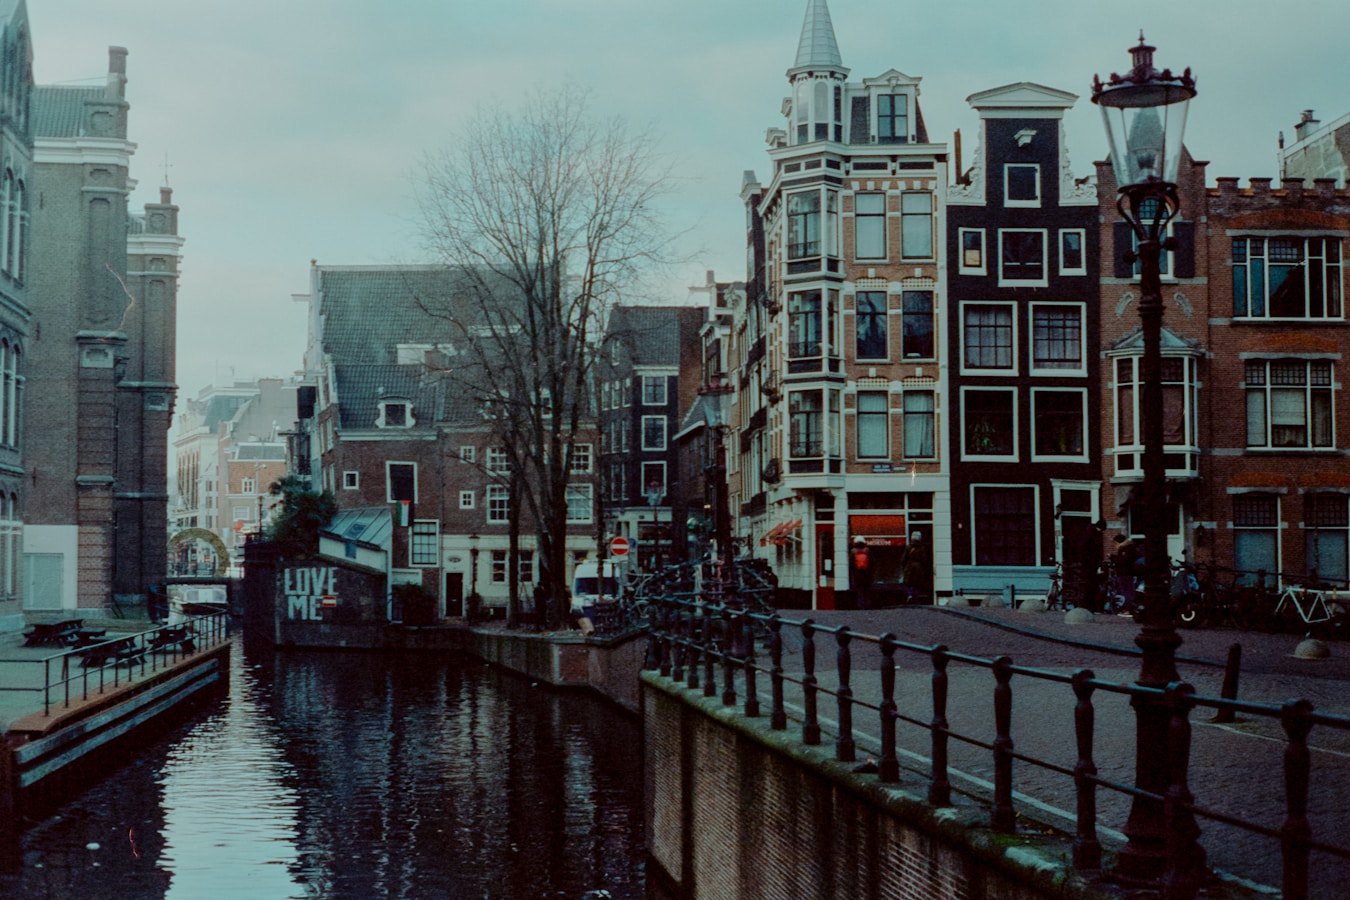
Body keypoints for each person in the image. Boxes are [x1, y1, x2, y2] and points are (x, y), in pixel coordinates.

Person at [900, 531, 932, 605]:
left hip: (909, 568)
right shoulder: (922, 548)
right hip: (918, 568)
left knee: (907, 583)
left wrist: (904, 567)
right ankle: (915, 599)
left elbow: (903, 559)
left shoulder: (908, 547)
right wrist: (925, 568)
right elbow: (924, 560)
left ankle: (909, 595)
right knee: (917, 584)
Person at [850, 537, 873, 610]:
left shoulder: (853, 551)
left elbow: (851, 564)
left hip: (857, 574)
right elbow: (872, 562)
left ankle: (860, 606)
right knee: (867, 591)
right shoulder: (867, 550)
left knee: (859, 591)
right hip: (867, 574)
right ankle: (868, 605)